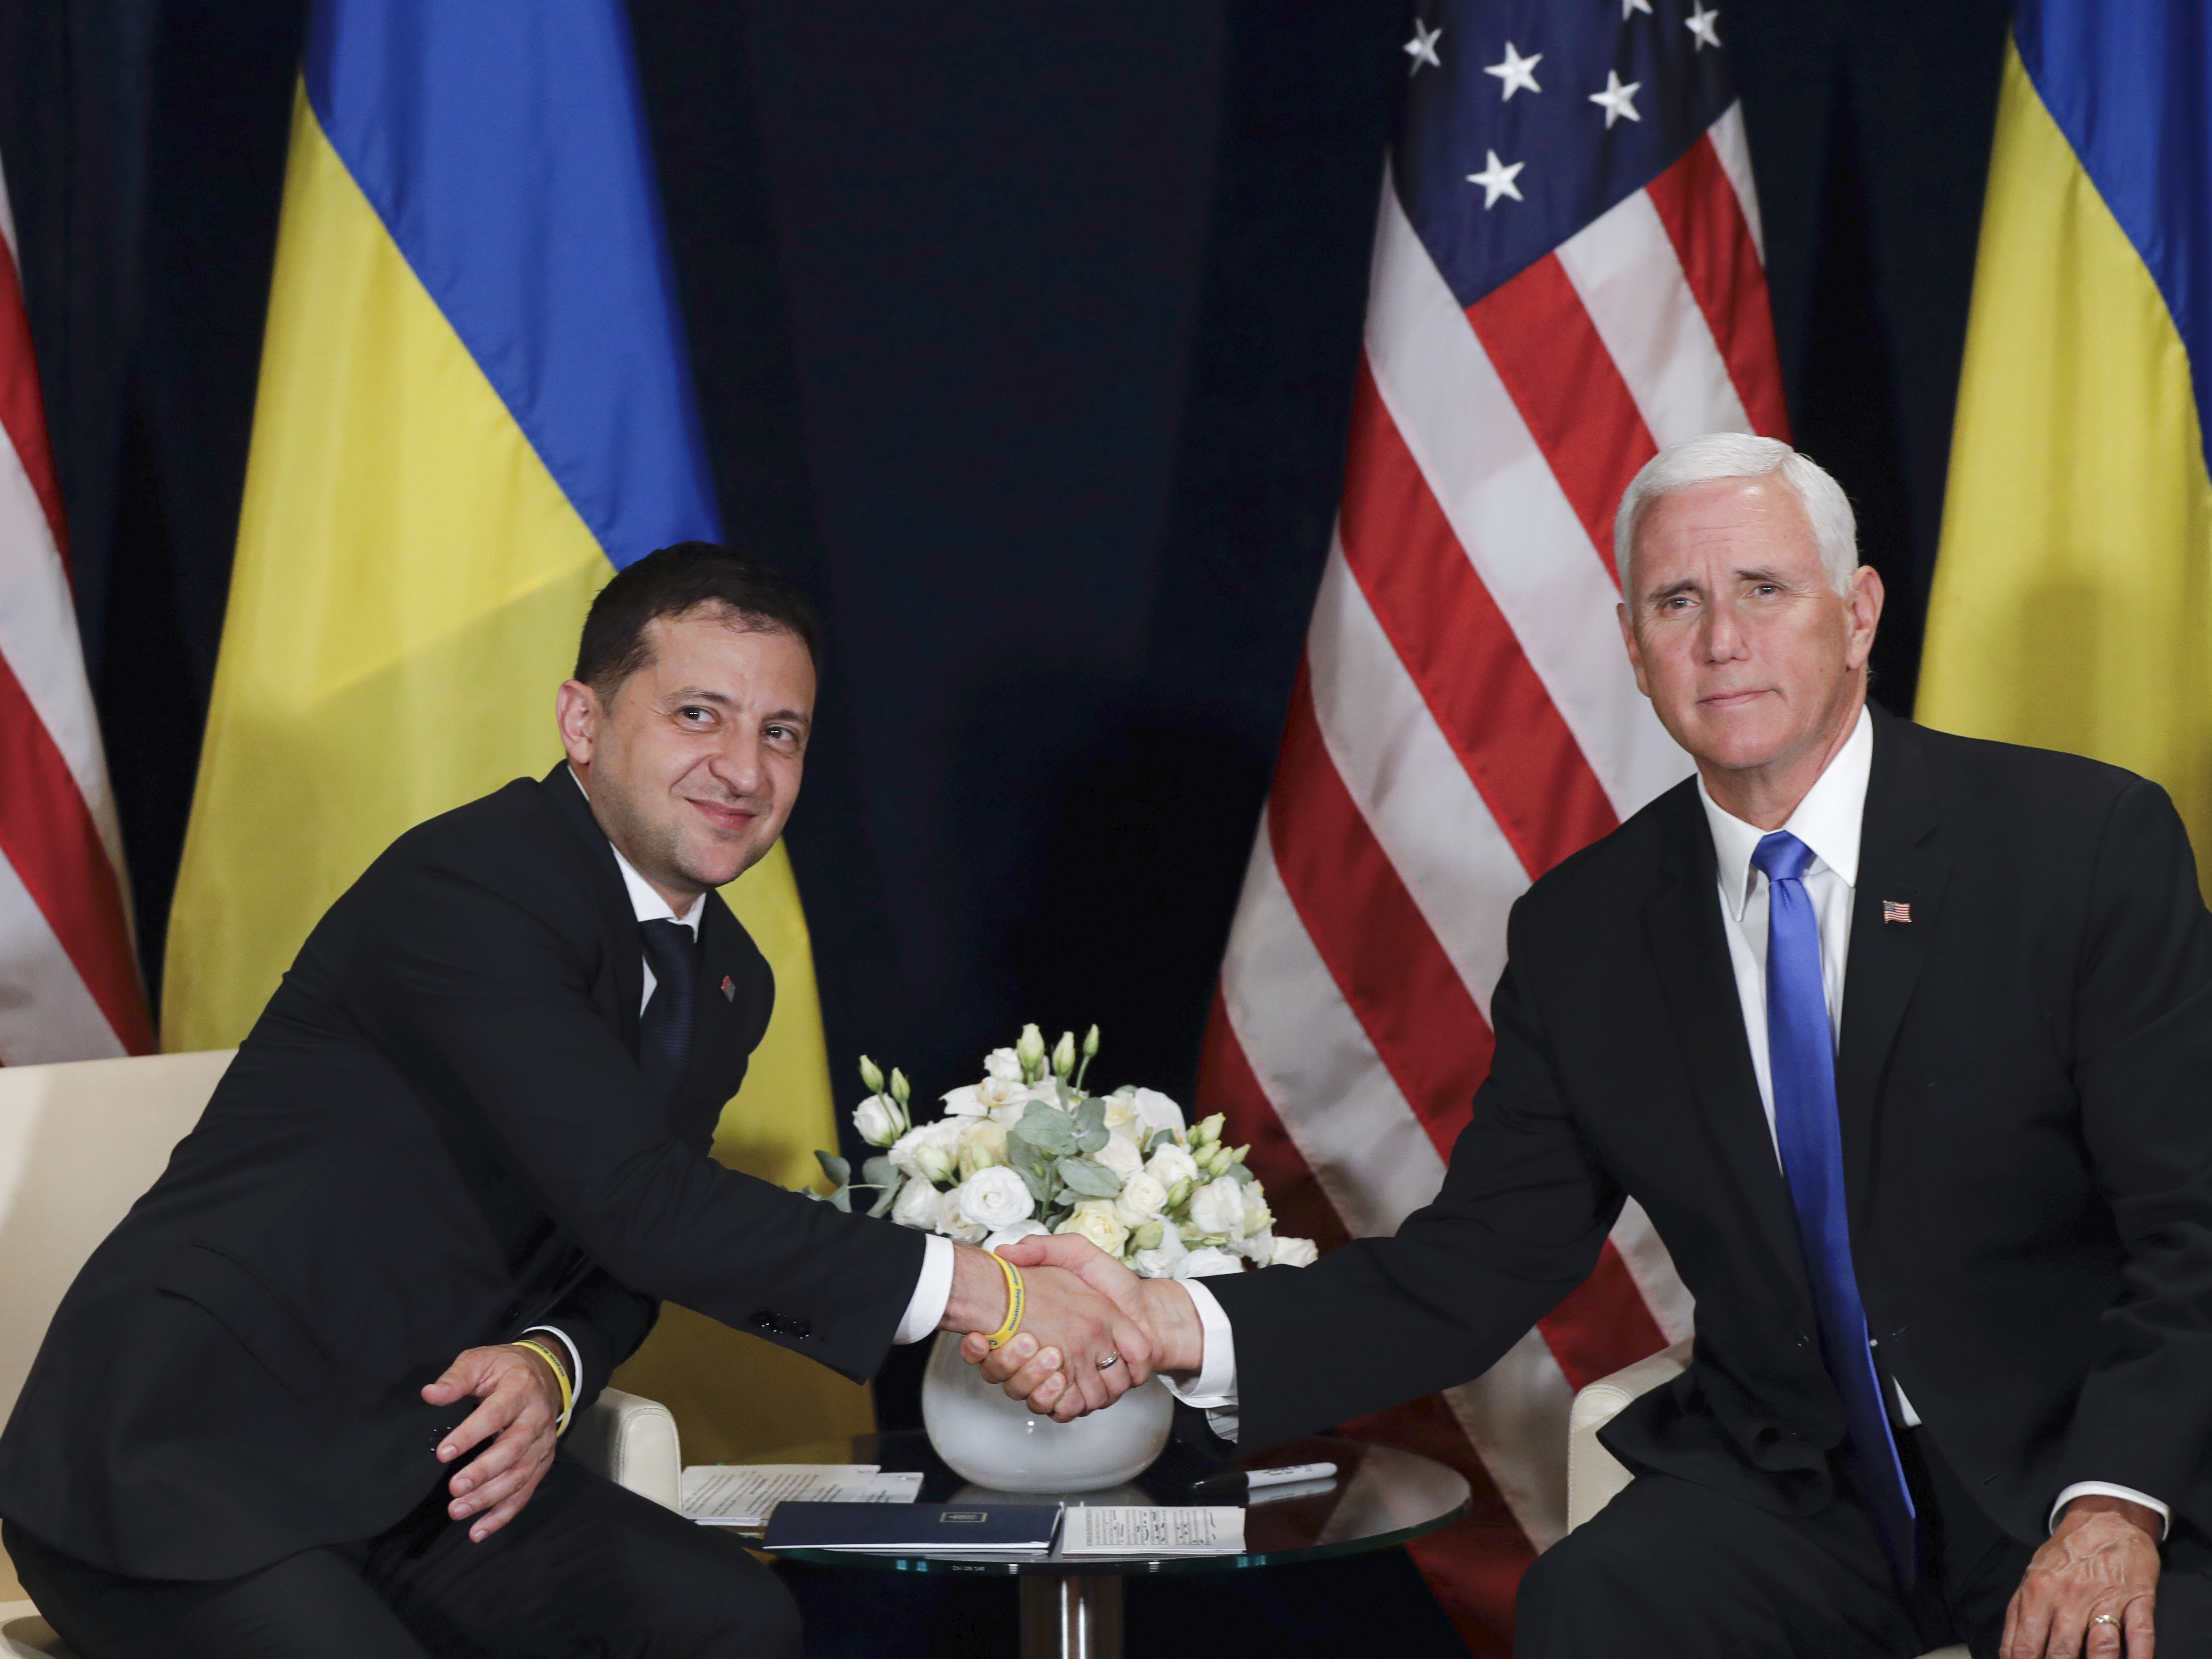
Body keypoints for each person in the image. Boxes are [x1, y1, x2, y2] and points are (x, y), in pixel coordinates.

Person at [975, 436, 2212, 1659]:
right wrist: (1172, 1320)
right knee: (1593, 1600)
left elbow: (2192, 1222)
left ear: (1859, 610)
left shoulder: (2077, 844)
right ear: (1631, 646)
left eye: (1763, 590)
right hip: (1798, 1483)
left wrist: (2114, 1502)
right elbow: (1474, 1268)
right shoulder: (1585, 931)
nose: (1720, 639)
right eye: (1678, 601)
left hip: (2080, 1455)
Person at [0, 543, 1151, 1659]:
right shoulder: (471, 886)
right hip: (180, 1459)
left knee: (731, 1621)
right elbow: (644, 1204)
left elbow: (616, 1254)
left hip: (416, 1462)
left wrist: (552, 1357)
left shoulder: (727, 974)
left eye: (780, 732)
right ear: (582, 723)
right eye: (698, 714)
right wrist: (981, 1291)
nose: (744, 770)